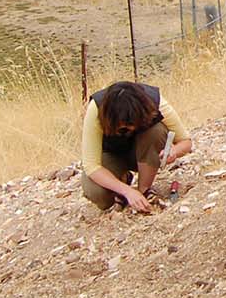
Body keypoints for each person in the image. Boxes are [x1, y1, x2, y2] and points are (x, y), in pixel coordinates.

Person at [81, 81, 193, 212]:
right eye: (123, 128)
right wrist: (127, 191)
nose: (130, 129)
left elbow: (186, 141)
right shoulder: (96, 109)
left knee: (156, 131)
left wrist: (174, 151)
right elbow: (91, 166)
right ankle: (123, 180)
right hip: (111, 154)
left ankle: (144, 190)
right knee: (97, 192)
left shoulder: (155, 102)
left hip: (145, 153)